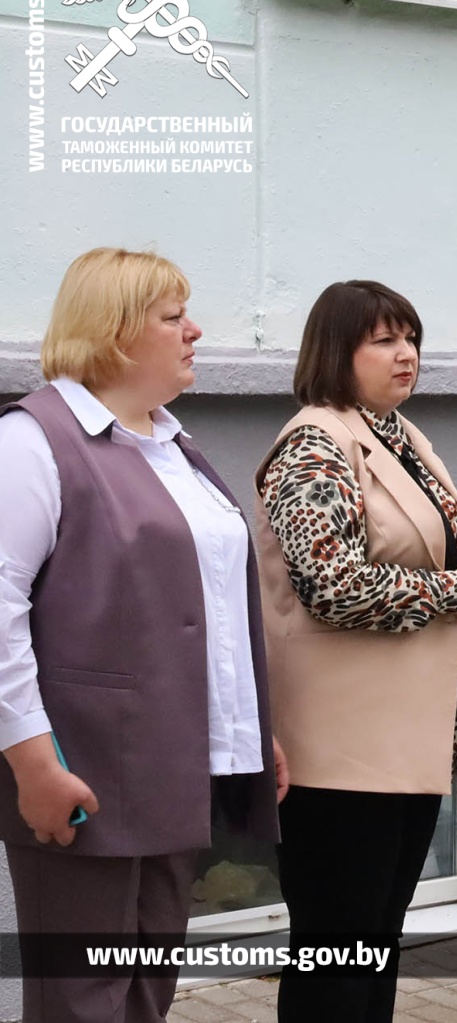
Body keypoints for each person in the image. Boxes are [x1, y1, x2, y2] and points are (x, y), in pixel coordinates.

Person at [0, 248, 285, 1023]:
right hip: (84, 772)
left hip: (174, 771)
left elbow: (206, 608)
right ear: (116, 331)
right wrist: (32, 760)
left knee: (145, 996)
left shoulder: (174, 446)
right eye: (173, 317)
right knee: (80, 1002)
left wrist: (248, 730)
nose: (195, 331)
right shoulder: (34, 440)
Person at [253, 280, 457, 1022]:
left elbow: (429, 563)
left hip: (399, 744)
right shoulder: (314, 445)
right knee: (336, 954)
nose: (405, 353)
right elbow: (332, 586)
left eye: (410, 337)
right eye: (383, 340)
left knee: (373, 946)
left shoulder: (397, 435)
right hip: (337, 751)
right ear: (336, 351)